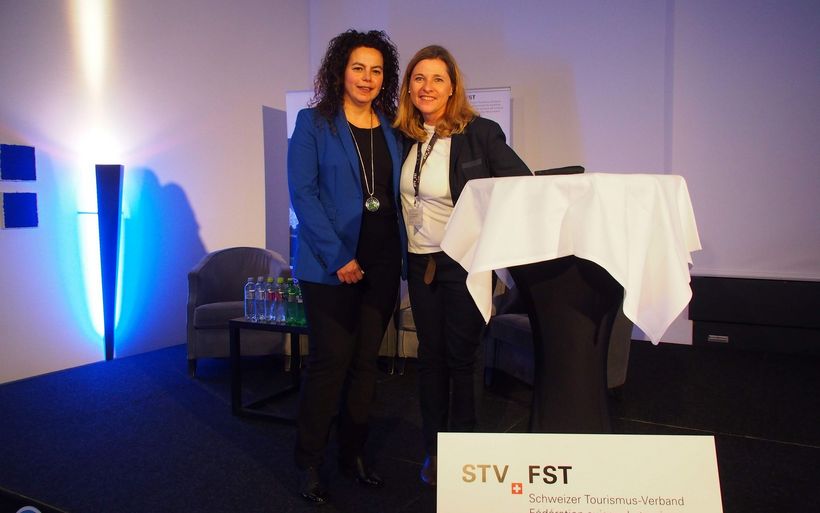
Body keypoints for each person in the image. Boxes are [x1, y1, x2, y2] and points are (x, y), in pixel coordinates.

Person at [393, 45, 531, 486]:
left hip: (464, 263)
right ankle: (435, 450)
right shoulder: (402, 137)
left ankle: (466, 455)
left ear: (453, 87)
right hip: (421, 263)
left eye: (438, 79)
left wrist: (492, 237)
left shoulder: (480, 134)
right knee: (430, 358)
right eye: (419, 78)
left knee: (463, 357)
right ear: (408, 87)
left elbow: (521, 186)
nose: (427, 87)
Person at [287, 29, 403, 505]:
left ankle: (352, 455)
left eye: (376, 70)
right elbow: (303, 195)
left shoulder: (393, 127)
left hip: (382, 262)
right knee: (330, 362)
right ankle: (309, 462)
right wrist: (340, 258)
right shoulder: (313, 123)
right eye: (359, 68)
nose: (367, 78)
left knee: (365, 365)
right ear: (341, 71)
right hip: (330, 266)